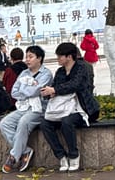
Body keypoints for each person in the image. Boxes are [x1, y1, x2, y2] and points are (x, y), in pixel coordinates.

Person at [39, 42, 100, 172]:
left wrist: (54, 89)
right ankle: (61, 156)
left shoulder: (82, 68)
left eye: (60, 56)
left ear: (69, 57)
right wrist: (47, 93)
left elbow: (75, 85)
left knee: (67, 121)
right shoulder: (60, 71)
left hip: (83, 108)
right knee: (45, 123)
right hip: (62, 109)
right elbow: (56, 88)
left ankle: (73, 155)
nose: (58, 59)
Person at [0, 45, 53, 174]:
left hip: (39, 109)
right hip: (23, 107)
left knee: (24, 122)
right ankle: (25, 151)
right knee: (4, 123)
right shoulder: (24, 73)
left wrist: (26, 89)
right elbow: (14, 92)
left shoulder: (46, 74)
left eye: (31, 57)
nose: (27, 60)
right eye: (26, 57)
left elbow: (36, 91)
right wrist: (28, 90)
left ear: (39, 58)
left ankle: (13, 157)